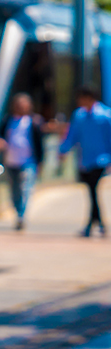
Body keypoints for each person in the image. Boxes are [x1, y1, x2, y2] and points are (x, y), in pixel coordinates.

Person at [59, 86, 111, 238]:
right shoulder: (79, 116)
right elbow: (72, 136)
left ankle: (90, 225)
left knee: (92, 190)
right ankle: (99, 223)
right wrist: (63, 150)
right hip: (84, 160)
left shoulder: (105, 116)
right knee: (91, 192)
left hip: (101, 160)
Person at [0, 93, 43, 231]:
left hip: (28, 161)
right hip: (11, 161)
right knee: (13, 191)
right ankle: (17, 212)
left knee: (25, 188)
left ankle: (21, 215)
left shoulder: (34, 122)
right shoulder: (7, 120)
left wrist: (40, 162)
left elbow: (40, 144)